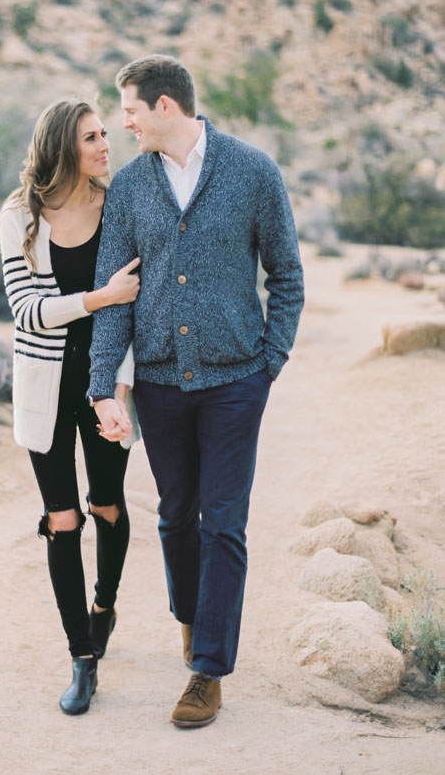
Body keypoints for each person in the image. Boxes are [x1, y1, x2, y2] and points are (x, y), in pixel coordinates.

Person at [87, 55, 304, 728]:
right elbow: (116, 298)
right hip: (158, 383)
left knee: (224, 523)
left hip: (238, 381)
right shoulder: (128, 188)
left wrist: (269, 361)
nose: (122, 123)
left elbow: (287, 275)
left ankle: (207, 669)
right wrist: (104, 388)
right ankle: (191, 616)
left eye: (129, 110)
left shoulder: (253, 172)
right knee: (176, 516)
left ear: (165, 107)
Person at [0, 98, 141, 716]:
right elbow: (26, 309)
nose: (105, 145)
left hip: (104, 382)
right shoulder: (18, 214)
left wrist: (121, 391)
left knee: (106, 504)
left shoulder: (119, 207)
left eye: (106, 133)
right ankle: (82, 659)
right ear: (63, 146)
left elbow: (134, 307)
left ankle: (103, 605)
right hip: (45, 387)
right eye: (91, 137)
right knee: (62, 519)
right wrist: (96, 297)